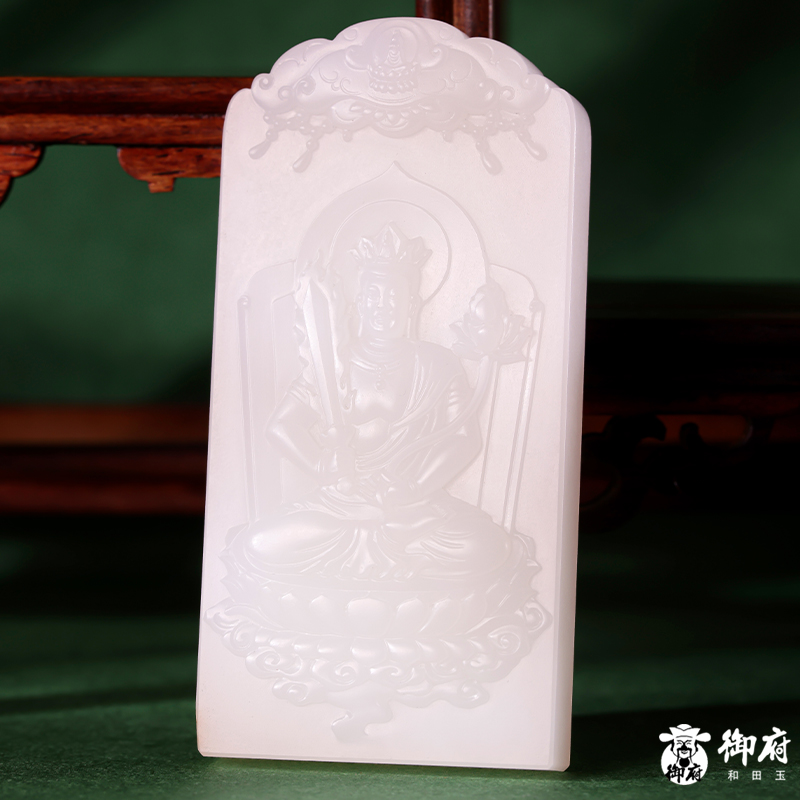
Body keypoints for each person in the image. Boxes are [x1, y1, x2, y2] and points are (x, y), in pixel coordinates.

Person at [231, 224, 512, 581]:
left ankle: (377, 557)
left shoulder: (438, 365)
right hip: (339, 505)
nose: (383, 306)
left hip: (412, 508)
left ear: (412, 305)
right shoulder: (334, 361)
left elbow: (465, 439)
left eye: (394, 296)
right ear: (359, 303)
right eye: (374, 296)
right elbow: (281, 426)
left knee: (486, 545)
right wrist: (320, 464)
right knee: (261, 543)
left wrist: (415, 486)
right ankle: (392, 563)